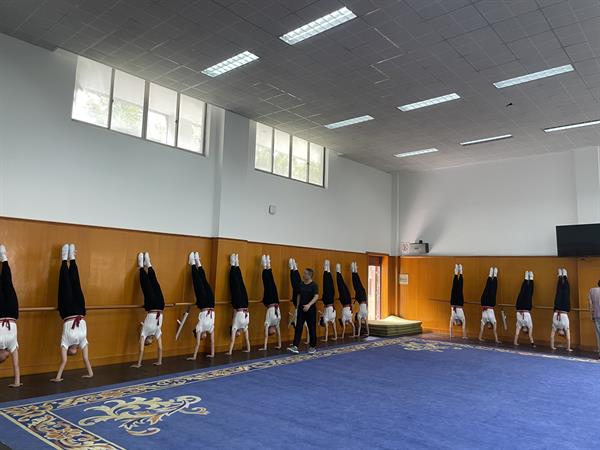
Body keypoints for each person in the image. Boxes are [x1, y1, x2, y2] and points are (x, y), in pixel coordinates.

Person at [52, 243, 94, 382]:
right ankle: (72, 258)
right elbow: (85, 358)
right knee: (75, 284)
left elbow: (64, 361)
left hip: (71, 312)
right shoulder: (82, 341)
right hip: (79, 311)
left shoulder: (67, 342)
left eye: (72, 351)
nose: (74, 350)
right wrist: (90, 374)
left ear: (70, 349)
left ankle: (65, 258)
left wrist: (58, 377)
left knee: (66, 284)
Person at [132, 252, 165, 368]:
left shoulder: (151, 332)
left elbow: (160, 347)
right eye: (147, 342)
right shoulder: (150, 333)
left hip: (158, 306)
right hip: (155, 306)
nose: (147, 342)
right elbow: (158, 348)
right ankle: (145, 265)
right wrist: (139, 364)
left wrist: (159, 361)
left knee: (152, 285)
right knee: (150, 285)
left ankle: (146, 265)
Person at [0, 245, 22, 387]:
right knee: (8, 283)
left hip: (1, 313)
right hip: (12, 313)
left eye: (4, 359)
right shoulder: (12, 346)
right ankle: (4, 258)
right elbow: (16, 364)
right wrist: (17, 382)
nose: (7, 357)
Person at [187, 251, 215, 360]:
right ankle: (199, 263)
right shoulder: (210, 329)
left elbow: (197, 344)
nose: (204, 337)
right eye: (204, 338)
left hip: (203, 304)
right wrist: (212, 354)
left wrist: (194, 357)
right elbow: (212, 341)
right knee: (205, 282)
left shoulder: (199, 328)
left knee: (198, 283)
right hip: (211, 304)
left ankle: (193, 264)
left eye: (202, 338)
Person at [287, 268, 318, 354]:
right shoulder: (300, 284)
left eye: (305, 273)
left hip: (310, 310)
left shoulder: (314, 285)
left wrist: (309, 305)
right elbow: (298, 296)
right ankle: (295, 346)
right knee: (298, 327)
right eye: (304, 273)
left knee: (312, 328)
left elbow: (316, 296)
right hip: (301, 309)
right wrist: (297, 308)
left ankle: (312, 347)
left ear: (309, 275)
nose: (303, 275)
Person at [227, 253, 251, 355]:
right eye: (238, 335)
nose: (238, 335)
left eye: (236, 335)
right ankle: (237, 264)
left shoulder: (235, 326)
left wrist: (229, 352)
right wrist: (248, 349)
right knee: (241, 284)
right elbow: (247, 339)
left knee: (235, 284)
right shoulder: (244, 328)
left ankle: (233, 265)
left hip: (238, 304)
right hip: (245, 304)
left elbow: (232, 341)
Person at [259, 254, 281, 350]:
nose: (273, 331)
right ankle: (268, 265)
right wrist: (279, 345)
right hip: (275, 301)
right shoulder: (277, 324)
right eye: (274, 332)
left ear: (268, 330)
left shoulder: (267, 323)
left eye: (271, 332)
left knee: (267, 283)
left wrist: (265, 347)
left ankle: (265, 266)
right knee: (272, 283)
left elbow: (266, 337)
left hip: (269, 302)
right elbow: (279, 335)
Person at [551, 268, 572, 352]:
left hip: (557, 308)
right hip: (564, 309)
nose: (561, 334)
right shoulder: (565, 327)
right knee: (566, 292)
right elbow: (568, 338)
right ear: (564, 333)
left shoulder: (555, 327)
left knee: (559, 292)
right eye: (562, 335)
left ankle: (560, 276)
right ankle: (564, 276)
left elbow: (552, 337)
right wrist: (568, 348)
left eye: (559, 335)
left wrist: (552, 346)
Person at [288, 258, 309, 343]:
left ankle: (294, 268)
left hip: (299, 301)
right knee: (295, 284)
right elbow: (307, 329)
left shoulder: (301, 321)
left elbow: (307, 329)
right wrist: (290, 322)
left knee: (297, 284)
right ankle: (293, 269)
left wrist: (308, 340)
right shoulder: (301, 321)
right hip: (298, 301)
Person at [478, 267, 500, 344]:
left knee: (487, 288)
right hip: (491, 304)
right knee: (493, 289)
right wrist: (496, 340)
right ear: (492, 326)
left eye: (488, 327)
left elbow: (481, 330)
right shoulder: (493, 321)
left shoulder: (483, 321)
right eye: (490, 327)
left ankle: (490, 274)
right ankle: (495, 275)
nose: (488, 326)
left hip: (484, 303)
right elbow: (495, 331)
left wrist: (480, 338)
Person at [514, 271, 536, 347]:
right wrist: (532, 344)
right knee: (529, 293)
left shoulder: (519, 325)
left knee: (522, 292)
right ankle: (531, 278)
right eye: (525, 331)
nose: (524, 330)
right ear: (527, 330)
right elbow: (530, 335)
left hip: (519, 307)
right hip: (526, 307)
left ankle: (526, 278)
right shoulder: (529, 325)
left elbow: (517, 334)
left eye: (523, 331)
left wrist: (515, 342)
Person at [319, 260, 337, 342]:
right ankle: (327, 270)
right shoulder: (327, 319)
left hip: (329, 301)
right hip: (328, 301)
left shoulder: (330, 320)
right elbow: (328, 330)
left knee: (329, 285)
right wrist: (326, 339)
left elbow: (332, 329)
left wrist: (334, 337)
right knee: (327, 285)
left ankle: (327, 270)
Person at [336, 264, 356, 338]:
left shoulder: (344, 319)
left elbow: (344, 328)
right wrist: (354, 335)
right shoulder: (350, 320)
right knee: (344, 286)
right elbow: (353, 327)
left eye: (346, 324)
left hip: (344, 302)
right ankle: (339, 273)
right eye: (348, 324)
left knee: (340, 286)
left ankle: (338, 272)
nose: (347, 324)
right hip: (348, 301)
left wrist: (342, 336)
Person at [351, 261, 369, 336]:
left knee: (357, 284)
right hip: (362, 298)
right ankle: (354, 271)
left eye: (362, 321)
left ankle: (355, 270)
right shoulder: (363, 316)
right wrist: (367, 333)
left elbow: (360, 326)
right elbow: (364, 326)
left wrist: (359, 334)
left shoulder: (362, 316)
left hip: (362, 298)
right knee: (357, 284)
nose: (363, 321)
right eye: (363, 321)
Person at [449, 264, 466, 339]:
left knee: (454, 288)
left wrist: (451, 335)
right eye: (458, 324)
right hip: (459, 303)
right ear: (460, 322)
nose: (457, 323)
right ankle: (461, 272)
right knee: (460, 288)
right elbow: (464, 327)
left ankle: (456, 273)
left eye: (456, 324)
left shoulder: (453, 318)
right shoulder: (462, 318)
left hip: (453, 303)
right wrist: (464, 336)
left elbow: (450, 326)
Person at [588, 280, 600, 359]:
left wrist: (591, 314)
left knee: (598, 335)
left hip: (596, 315)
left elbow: (590, 304)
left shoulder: (592, 290)